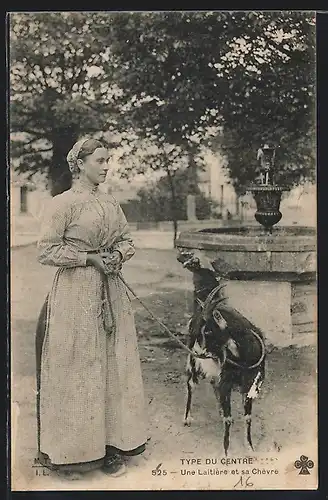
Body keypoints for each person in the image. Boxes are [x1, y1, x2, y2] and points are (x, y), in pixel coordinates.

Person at [36, 138, 148, 480]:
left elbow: (127, 240)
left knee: (114, 363)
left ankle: (113, 446)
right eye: (100, 160)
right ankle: (74, 453)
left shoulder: (111, 204)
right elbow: (45, 250)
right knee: (78, 363)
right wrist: (87, 258)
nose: (106, 166)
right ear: (80, 163)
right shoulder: (63, 204)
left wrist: (115, 256)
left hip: (110, 290)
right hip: (75, 292)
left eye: (108, 160)